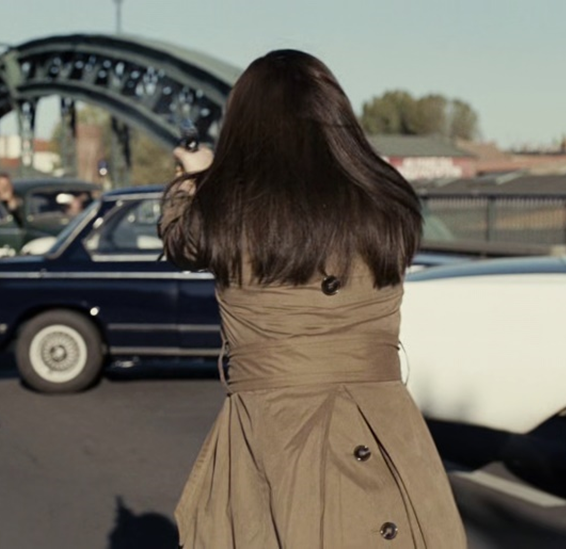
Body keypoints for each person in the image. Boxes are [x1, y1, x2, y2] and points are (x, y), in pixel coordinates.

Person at [160, 50, 466, 548]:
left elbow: (180, 240)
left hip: (275, 433)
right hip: (388, 431)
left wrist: (193, 179)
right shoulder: (388, 201)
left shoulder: (225, 211)